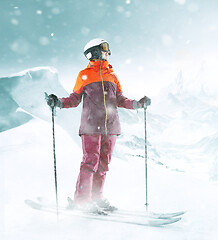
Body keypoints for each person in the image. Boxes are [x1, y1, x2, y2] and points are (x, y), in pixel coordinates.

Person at [46, 38, 151, 213]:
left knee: (103, 164)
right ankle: (82, 201)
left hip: (111, 127)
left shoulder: (112, 76)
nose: (107, 52)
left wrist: (137, 104)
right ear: (93, 52)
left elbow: (119, 99)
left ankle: (96, 198)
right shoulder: (84, 75)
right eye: (104, 48)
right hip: (91, 126)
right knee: (90, 162)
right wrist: (57, 102)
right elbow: (74, 99)